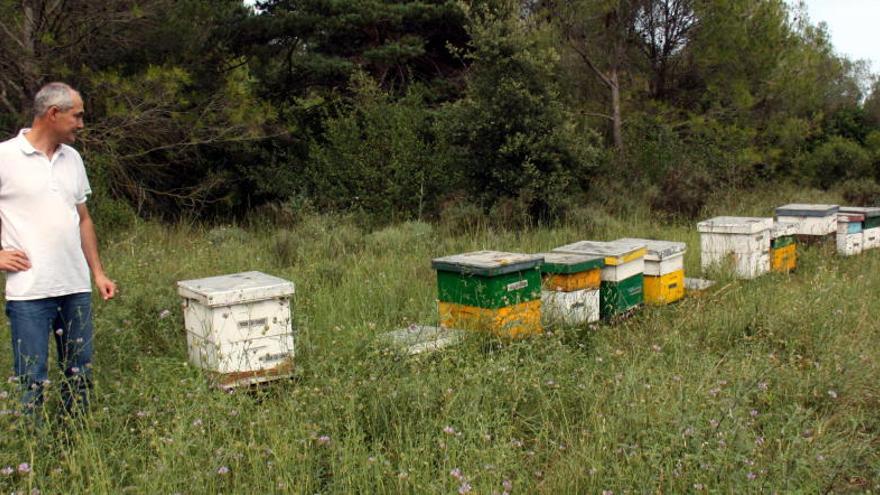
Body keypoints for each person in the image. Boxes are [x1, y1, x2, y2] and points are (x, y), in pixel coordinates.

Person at [0, 82, 116, 415]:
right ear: (53, 114)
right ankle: (32, 454)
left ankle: (75, 444)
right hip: (29, 292)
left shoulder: (73, 158)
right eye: (76, 116)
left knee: (79, 374)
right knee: (31, 378)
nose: (81, 124)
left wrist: (98, 272)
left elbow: (83, 219)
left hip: (75, 288)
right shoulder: (5, 157)